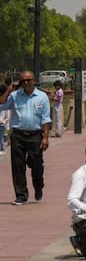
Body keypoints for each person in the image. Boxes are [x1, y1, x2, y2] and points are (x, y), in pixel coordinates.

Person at [0, 71, 51, 205]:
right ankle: (21, 195)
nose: (26, 83)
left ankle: (38, 186)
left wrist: (45, 137)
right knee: (18, 166)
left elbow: (46, 119)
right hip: (18, 134)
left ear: (34, 81)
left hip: (35, 135)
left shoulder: (42, 97)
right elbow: (1, 104)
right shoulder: (15, 96)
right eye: (23, 81)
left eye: (29, 80)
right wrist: (9, 90)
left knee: (37, 165)